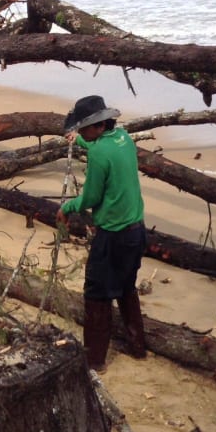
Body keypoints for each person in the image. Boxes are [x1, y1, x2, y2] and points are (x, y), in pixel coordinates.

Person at [55, 95, 147, 372]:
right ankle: (138, 347)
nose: (81, 131)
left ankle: (94, 361)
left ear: (99, 126)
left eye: (84, 128)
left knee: (97, 293)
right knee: (127, 287)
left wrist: (67, 207)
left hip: (113, 236)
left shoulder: (99, 154)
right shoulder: (124, 138)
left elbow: (91, 197)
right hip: (136, 232)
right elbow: (101, 147)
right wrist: (79, 140)